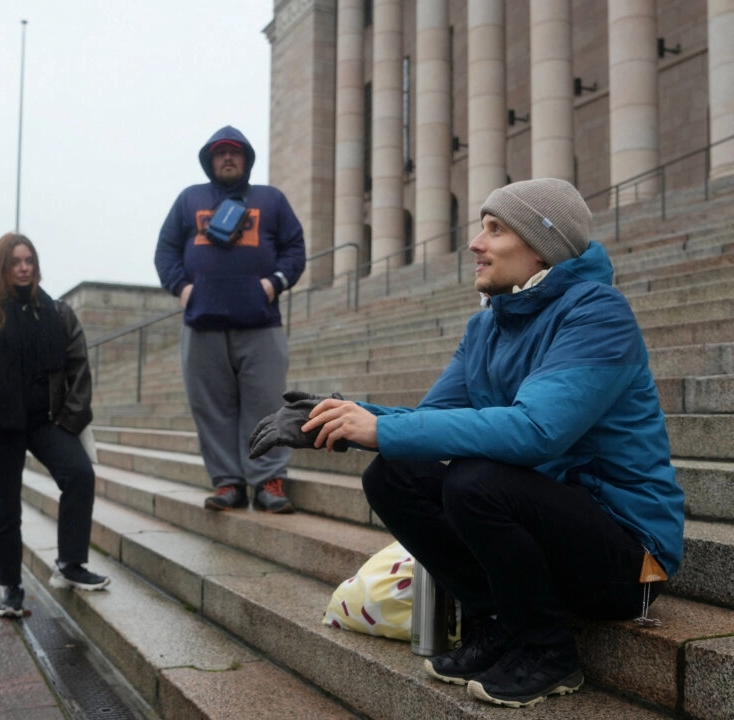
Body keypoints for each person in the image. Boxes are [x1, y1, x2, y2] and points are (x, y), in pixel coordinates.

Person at [249, 178, 685, 708]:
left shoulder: (597, 314)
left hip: (627, 557)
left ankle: (549, 651)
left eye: (495, 229)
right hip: (548, 529)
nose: (475, 244)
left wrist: (379, 428)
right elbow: (432, 421)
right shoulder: (487, 327)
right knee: (393, 473)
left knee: (475, 480)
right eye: (481, 227)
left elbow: (536, 432)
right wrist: (340, 418)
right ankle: (498, 623)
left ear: (541, 244)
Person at [154, 125, 306, 513]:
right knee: (211, 407)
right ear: (209, 159)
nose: (227, 158)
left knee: (266, 404)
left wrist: (273, 284)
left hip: (261, 323)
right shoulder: (190, 199)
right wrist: (185, 290)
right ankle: (228, 483)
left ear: (246, 159)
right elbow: (166, 251)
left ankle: (268, 481)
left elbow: (294, 248)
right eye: (219, 152)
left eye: (234, 152)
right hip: (202, 324)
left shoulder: (270, 200)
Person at [0, 233, 109, 619]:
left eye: (29, 260)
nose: (23, 267)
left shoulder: (58, 312)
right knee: (6, 509)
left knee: (79, 474)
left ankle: (71, 564)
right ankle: (11, 588)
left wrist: (70, 418)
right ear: (1, 268)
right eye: (15, 262)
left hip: (47, 421)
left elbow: (79, 367)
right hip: (1, 425)